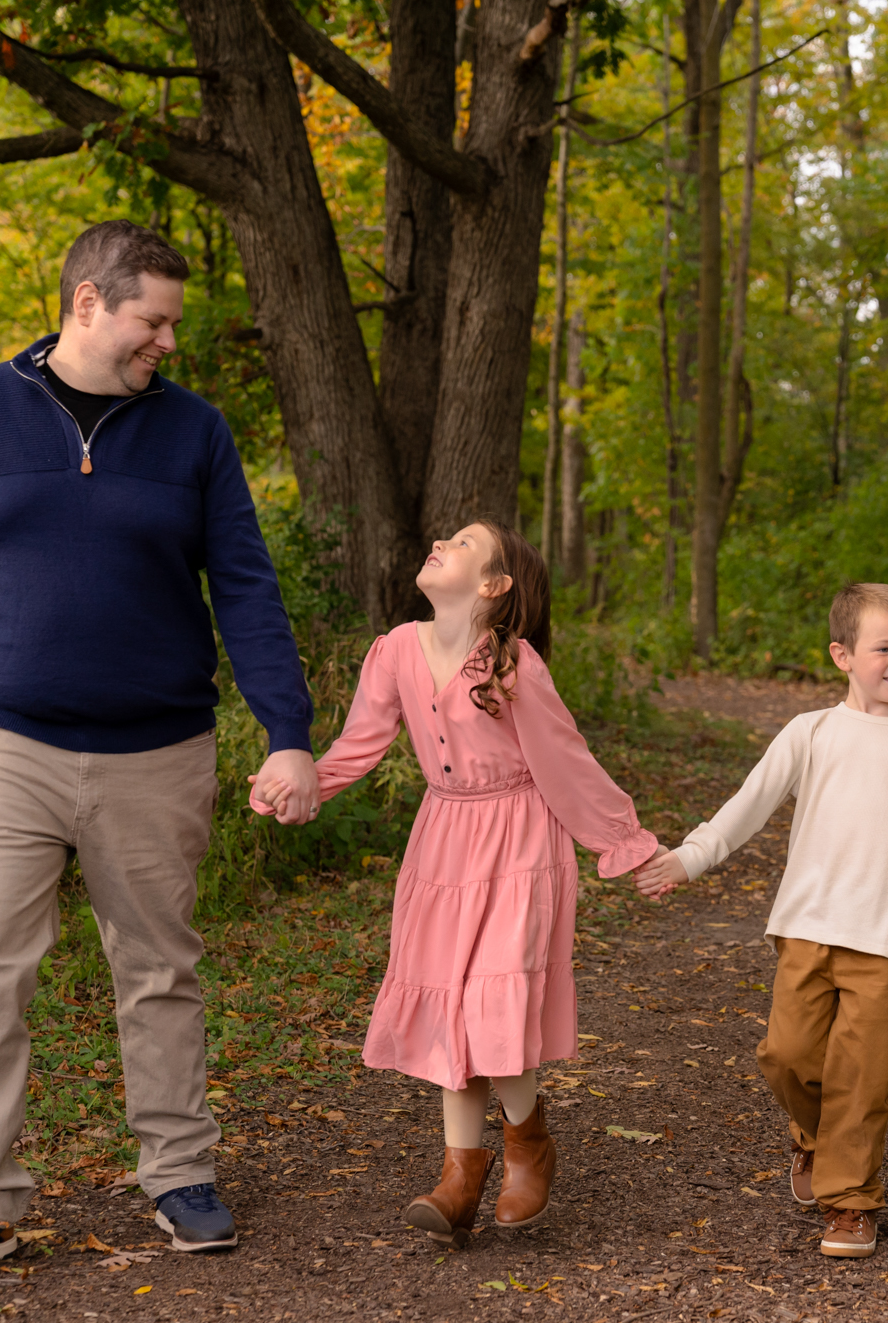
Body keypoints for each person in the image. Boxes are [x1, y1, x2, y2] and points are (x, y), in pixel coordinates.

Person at [0, 221, 321, 1282]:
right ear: (86, 302)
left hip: (157, 748)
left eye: (172, 321)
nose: (166, 339)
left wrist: (288, 734)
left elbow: (245, 587)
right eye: (150, 319)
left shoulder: (193, 433)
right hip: (3, 742)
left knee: (159, 969)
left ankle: (178, 1174)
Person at [250, 521, 659, 1247]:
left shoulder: (513, 666)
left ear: (493, 585)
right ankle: (460, 1173)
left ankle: (526, 1142)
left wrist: (624, 842)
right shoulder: (395, 649)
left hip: (520, 838)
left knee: (491, 999)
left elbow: (566, 760)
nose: (441, 539)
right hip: (444, 842)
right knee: (451, 1008)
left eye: (465, 542)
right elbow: (360, 742)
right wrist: (305, 783)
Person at [635, 582, 888, 1260]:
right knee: (787, 1054)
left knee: (864, 1073)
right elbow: (749, 803)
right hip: (809, 926)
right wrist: (690, 857)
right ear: (842, 654)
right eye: (883, 647)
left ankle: (850, 1202)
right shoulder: (812, 731)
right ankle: (812, 1136)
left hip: (887, 939)